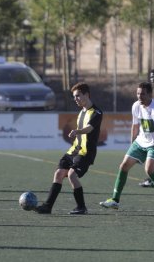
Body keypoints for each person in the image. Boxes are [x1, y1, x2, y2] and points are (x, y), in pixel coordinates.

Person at [100, 82, 154, 213]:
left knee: (150, 170)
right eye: (138, 93)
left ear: (150, 94)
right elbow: (135, 126)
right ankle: (115, 200)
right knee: (123, 166)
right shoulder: (136, 106)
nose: (140, 96)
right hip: (140, 142)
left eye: (143, 94)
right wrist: (132, 144)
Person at [35, 82, 103, 215]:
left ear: (87, 95)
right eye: (74, 96)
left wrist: (77, 131)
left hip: (85, 153)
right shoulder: (81, 112)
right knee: (59, 174)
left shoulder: (96, 112)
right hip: (74, 151)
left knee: (72, 175)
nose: (75, 99)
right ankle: (47, 206)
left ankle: (81, 207)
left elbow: (89, 128)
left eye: (77, 96)